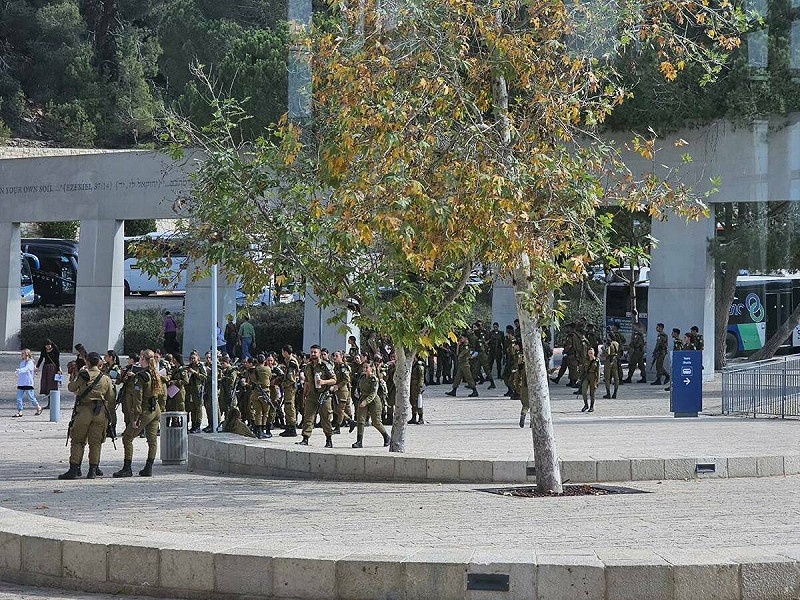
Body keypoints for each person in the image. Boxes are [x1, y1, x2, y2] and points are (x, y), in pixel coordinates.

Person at [60, 352, 114, 480]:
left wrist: (74, 376)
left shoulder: (83, 374)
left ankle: (74, 469)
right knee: (96, 443)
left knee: (78, 441)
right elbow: (111, 397)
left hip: (84, 411)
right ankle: (93, 471)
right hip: (100, 412)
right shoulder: (105, 378)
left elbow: (72, 387)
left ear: (88, 362)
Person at [114, 349, 164, 478]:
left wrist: (135, 418)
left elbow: (138, 399)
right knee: (152, 440)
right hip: (155, 409)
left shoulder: (141, 377)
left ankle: (127, 467)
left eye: (141, 358)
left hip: (145, 411)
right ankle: (148, 467)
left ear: (143, 359)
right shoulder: (156, 374)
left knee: (127, 437)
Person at [296, 345, 336, 447]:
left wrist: (324, 382)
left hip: (324, 395)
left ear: (319, 353)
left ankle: (329, 439)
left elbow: (334, 380)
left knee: (325, 418)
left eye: (315, 352)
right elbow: (307, 382)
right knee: (308, 417)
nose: (313, 354)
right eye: (312, 352)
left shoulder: (325, 366)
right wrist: (304, 396)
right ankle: (305, 438)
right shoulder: (308, 367)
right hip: (311, 395)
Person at [350, 361, 391, 448]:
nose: (364, 369)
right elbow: (358, 386)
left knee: (376, 422)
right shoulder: (362, 377)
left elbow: (373, 393)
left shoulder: (374, 379)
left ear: (371, 369)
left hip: (373, 402)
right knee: (360, 421)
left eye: (366, 368)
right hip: (363, 399)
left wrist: (366, 402)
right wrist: (357, 392)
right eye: (364, 367)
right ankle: (359, 441)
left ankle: (386, 437)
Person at [279, 345, 300, 437]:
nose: (282, 353)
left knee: (289, 407)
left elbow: (291, 378)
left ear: (286, 352)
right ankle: (288, 426)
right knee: (287, 407)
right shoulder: (288, 361)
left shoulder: (291, 362)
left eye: (283, 351)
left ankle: (292, 427)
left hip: (290, 388)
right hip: (289, 388)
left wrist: (283, 384)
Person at [14, 349, 41, 417]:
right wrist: (19, 372)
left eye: (23, 353)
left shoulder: (30, 363)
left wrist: (19, 370)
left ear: (26, 354)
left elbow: (27, 369)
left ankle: (38, 407)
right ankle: (20, 411)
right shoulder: (22, 362)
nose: (21, 355)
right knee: (19, 398)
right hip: (21, 382)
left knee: (31, 397)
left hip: (28, 382)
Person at [185, 351, 207, 433]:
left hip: (198, 390)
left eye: (194, 358)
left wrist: (195, 372)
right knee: (192, 408)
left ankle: (197, 425)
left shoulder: (200, 366)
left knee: (198, 409)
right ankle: (193, 425)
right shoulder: (188, 366)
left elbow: (204, 377)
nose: (192, 360)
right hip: (190, 390)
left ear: (198, 358)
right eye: (191, 358)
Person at [36, 339, 60, 408]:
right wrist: (37, 366)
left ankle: (53, 402)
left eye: (49, 345)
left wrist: (58, 369)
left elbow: (57, 360)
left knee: (52, 384)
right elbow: (41, 358)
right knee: (45, 383)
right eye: (46, 345)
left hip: (53, 368)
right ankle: (49, 401)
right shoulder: (44, 350)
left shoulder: (55, 349)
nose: (48, 347)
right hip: (46, 367)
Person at [101, 350, 121, 435]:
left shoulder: (116, 367)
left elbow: (119, 380)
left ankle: (112, 427)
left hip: (111, 390)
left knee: (111, 409)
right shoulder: (104, 366)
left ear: (111, 357)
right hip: (103, 390)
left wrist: (114, 381)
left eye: (107, 356)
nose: (105, 357)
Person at [512, 343, 529, 427]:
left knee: (525, 404)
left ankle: (523, 414)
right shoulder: (532, 366)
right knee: (535, 405)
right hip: (533, 387)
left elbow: (516, 378)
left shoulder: (521, 368)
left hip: (523, 387)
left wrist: (517, 387)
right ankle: (533, 422)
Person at [581, 347, 600, 413]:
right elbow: (582, 370)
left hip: (593, 376)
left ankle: (592, 406)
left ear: (594, 353)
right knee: (584, 391)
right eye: (589, 352)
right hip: (586, 376)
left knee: (592, 392)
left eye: (591, 352)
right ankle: (586, 405)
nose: (590, 353)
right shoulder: (585, 360)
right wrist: (580, 378)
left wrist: (597, 381)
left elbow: (598, 371)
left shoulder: (597, 360)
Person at [408, 355, 426, 424]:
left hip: (416, 386)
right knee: (412, 401)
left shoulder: (419, 365)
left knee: (418, 402)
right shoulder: (413, 364)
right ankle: (414, 417)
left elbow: (421, 377)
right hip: (412, 384)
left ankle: (421, 417)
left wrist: (420, 386)